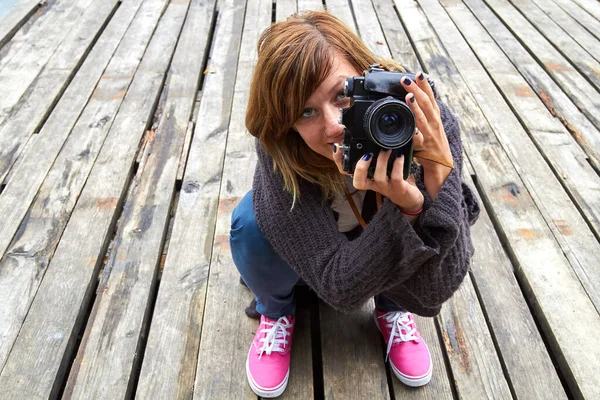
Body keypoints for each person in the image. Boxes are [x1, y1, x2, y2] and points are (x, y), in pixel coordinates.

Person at [229, 10, 479, 398]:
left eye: (342, 94)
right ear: (285, 123)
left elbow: (435, 291)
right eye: (305, 112)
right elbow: (340, 289)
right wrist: (407, 210)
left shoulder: (423, 121)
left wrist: (430, 184)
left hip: (371, 243)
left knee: (412, 237)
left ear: (367, 75)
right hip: (325, 248)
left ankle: (393, 304)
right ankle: (275, 309)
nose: (333, 126)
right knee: (250, 225)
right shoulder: (282, 151)